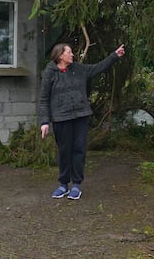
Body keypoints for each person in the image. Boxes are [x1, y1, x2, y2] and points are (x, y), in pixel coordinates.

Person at [39, 42, 125, 200]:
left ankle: (76, 185)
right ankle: (63, 185)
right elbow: (44, 99)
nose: (72, 55)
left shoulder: (78, 69)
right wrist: (45, 122)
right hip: (61, 118)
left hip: (81, 116)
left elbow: (98, 68)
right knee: (64, 151)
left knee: (79, 150)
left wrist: (115, 56)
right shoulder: (50, 73)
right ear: (60, 56)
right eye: (69, 52)